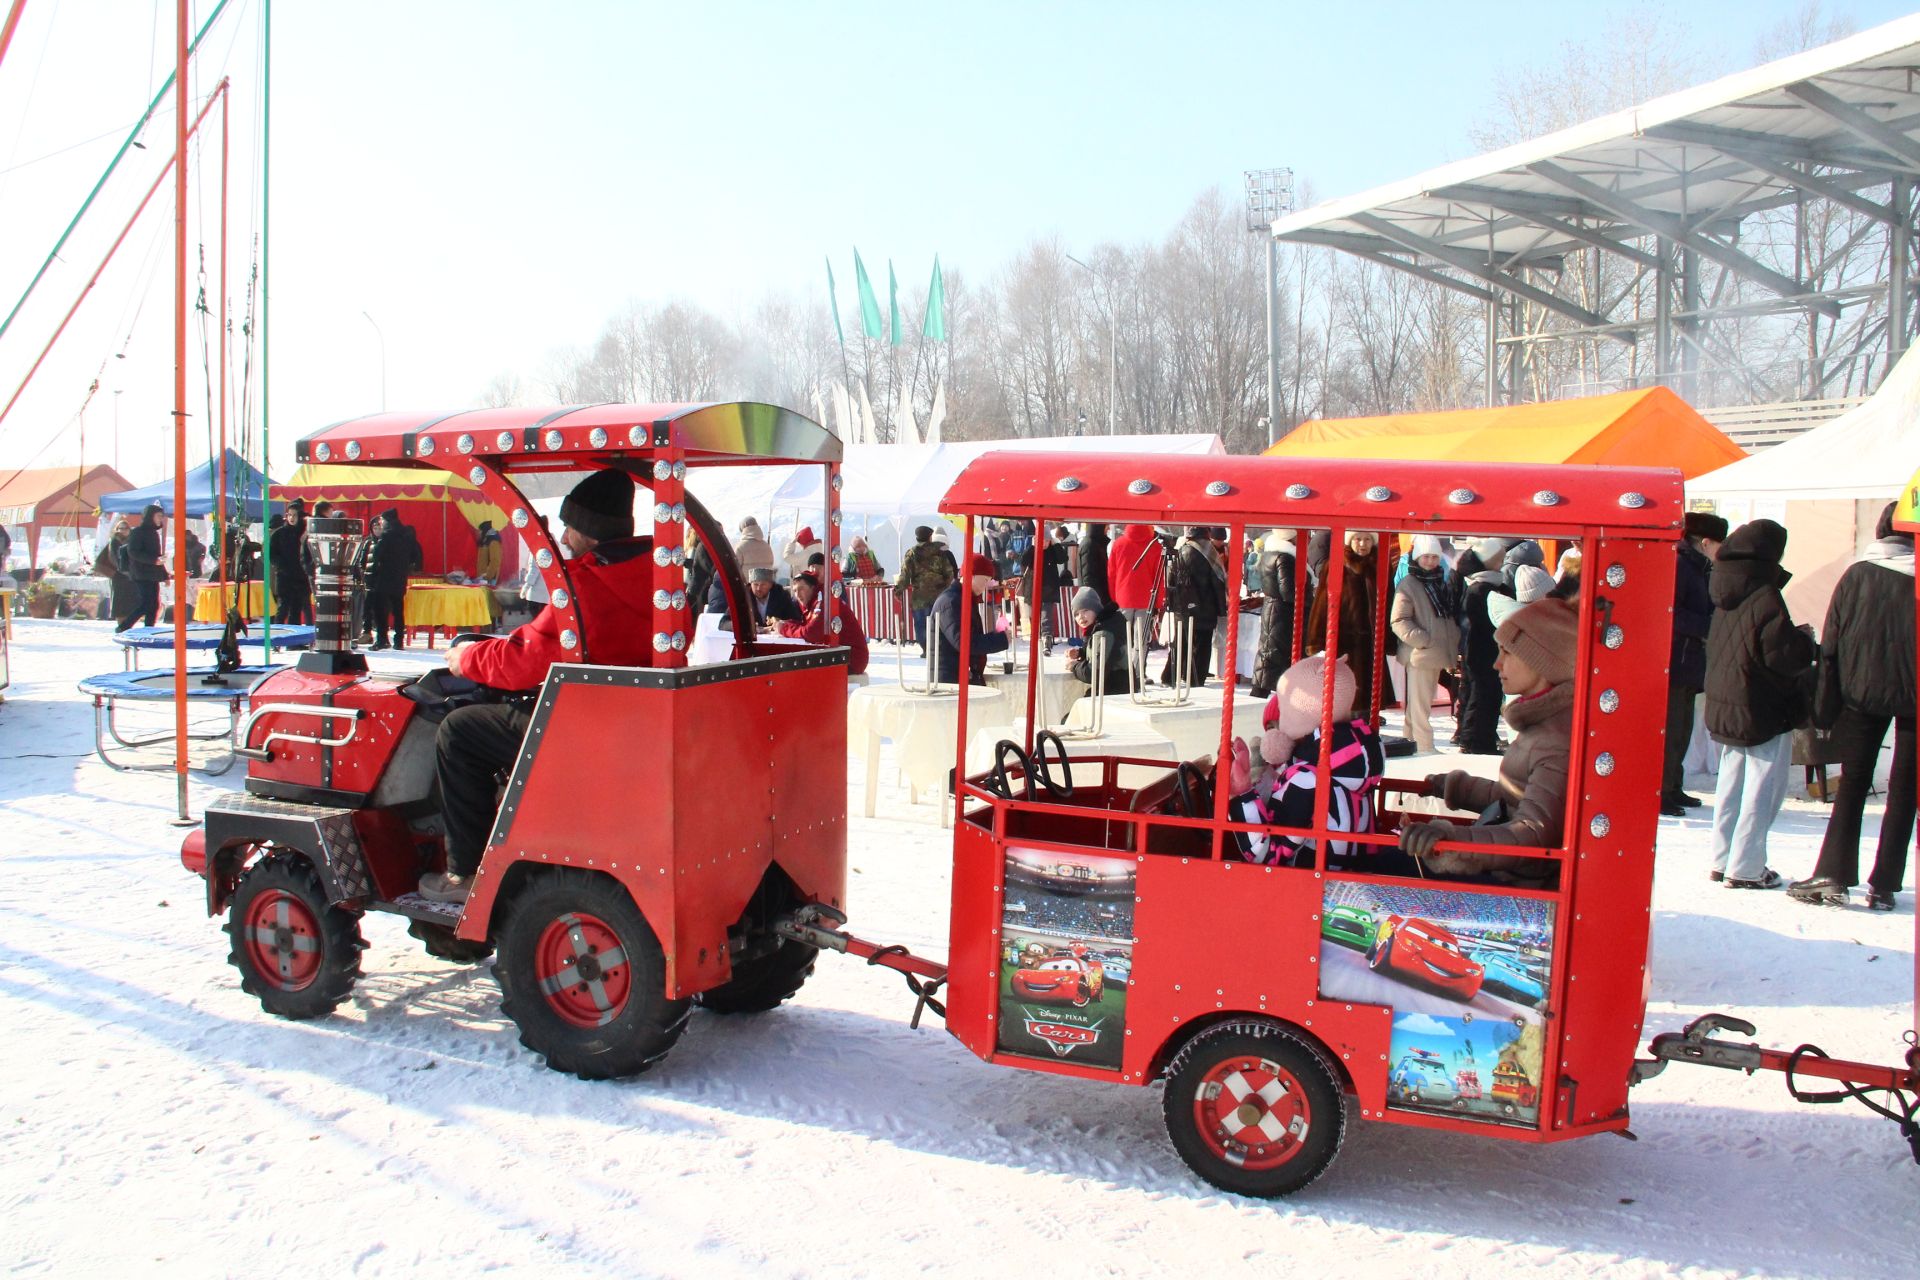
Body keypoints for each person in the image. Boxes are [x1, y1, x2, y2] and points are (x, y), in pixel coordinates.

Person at [423, 470, 654, 903]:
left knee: (458, 730)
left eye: (570, 527)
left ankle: (465, 873)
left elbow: (528, 660)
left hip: (581, 725)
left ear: (588, 531)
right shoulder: (655, 578)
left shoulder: (585, 587)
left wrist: (465, 658)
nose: (564, 537)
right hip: (629, 718)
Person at [1400, 597, 1578, 887]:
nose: (1497, 663)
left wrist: (1453, 841)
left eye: (1507, 652)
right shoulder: (1543, 725)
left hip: (1515, 884)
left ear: (1542, 661)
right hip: (1508, 872)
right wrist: (1460, 788)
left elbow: (1533, 831)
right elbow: (1518, 797)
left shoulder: (1554, 741)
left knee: (1369, 867)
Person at [1790, 502, 1914, 911]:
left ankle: (1834, 874)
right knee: (1905, 791)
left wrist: (1825, 706)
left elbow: (1832, 646)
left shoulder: (1858, 574)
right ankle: (1885, 885)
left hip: (1861, 696)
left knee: (1853, 784)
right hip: (1915, 697)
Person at [1704, 518, 1816, 891]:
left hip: (1728, 700)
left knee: (1731, 785)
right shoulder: (1765, 594)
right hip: (1762, 703)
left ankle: (1722, 859)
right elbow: (1782, 655)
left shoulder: (1723, 587)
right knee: (1762, 789)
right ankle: (1747, 867)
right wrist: (1804, 642)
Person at [1227, 653, 1385, 868]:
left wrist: (1242, 795)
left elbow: (1266, 854)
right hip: (1350, 877)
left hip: (1310, 887)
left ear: (1298, 714)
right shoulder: (1352, 765)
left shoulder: (1307, 778)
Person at [1662, 513, 1724, 816]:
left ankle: (1673, 786)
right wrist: (1707, 626)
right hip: (1677, 658)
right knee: (1671, 729)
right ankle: (1662, 790)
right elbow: (1670, 611)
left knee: (1683, 728)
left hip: (1688, 660)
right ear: (1705, 542)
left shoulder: (1697, 566)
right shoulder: (1682, 565)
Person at [1390, 534, 1461, 755]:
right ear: (1417, 557)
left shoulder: (1439, 581)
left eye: (1434, 556)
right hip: (1420, 652)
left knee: (1420, 700)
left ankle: (1410, 739)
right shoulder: (1409, 583)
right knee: (1421, 703)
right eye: (1426, 556)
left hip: (1435, 651)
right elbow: (1399, 619)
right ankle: (1424, 744)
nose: (1430, 561)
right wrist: (1423, 640)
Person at [1305, 529, 1380, 713]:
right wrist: (1316, 641)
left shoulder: (1379, 566)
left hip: (1371, 642)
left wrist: (1388, 641)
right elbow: (1321, 604)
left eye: (1367, 539)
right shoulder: (1337, 565)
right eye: (1358, 539)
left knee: (1369, 699)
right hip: (1344, 642)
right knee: (1345, 697)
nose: (1363, 544)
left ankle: (1364, 735)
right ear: (1349, 541)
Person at [930, 553, 1009, 685]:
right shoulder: (951, 601)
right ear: (972, 574)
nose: (986, 585)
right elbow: (963, 642)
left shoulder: (965, 598)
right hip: (949, 681)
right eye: (985, 580)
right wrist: (1000, 639)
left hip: (961, 675)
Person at [1161, 525, 1225, 688]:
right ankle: (1196, 679)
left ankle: (1170, 675)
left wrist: (1172, 603)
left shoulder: (1181, 550)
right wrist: (1222, 608)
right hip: (1205, 607)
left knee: (1181, 642)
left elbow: (1170, 580)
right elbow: (1217, 582)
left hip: (1181, 607)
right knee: (1202, 646)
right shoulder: (1209, 552)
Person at [778, 570, 869, 674]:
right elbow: (808, 626)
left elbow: (811, 633)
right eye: (794, 591)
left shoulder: (823, 600)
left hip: (851, 659)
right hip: (839, 654)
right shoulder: (812, 601)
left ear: (812, 588)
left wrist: (783, 628)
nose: (797, 594)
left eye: (801, 589)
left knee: (797, 670)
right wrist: (785, 624)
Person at [1250, 530, 1298, 699]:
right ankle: (1263, 690)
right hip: (1282, 611)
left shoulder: (1269, 554)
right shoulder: (1285, 558)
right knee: (1275, 651)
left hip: (1270, 606)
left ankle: (1259, 689)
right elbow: (1288, 591)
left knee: (1268, 649)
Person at [896, 524, 955, 655]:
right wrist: (946, 587)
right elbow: (949, 573)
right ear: (930, 537)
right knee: (940, 621)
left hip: (920, 596)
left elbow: (905, 575)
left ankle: (926, 649)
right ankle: (939, 648)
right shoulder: (940, 552)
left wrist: (899, 589)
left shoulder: (911, 553)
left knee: (921, 623)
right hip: (939, 594)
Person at [365, 508, 417, 649]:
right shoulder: (407, 534)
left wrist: (374, 573)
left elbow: (377, 556)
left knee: (380, 610)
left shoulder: (386, 536)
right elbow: (415, 555)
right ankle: (399, 640)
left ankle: (382, 639)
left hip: (383, 578)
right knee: (398, 610)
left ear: (386, 520)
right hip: (400, 578)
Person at [1065, 585, 1129, 695]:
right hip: (1111, 688)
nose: (1081, 617)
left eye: (1085, 610)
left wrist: (1074, 666)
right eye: (1076, 614)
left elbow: (1095, 673)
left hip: (1116, 693)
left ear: (1096, 609)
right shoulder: (1099, 627)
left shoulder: (1104, 633)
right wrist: (1081, 652)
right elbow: (1100, 654)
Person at [119, 503, 167, 631]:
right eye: (158, 516)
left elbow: (157, 556)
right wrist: (153, 560)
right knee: (146, 604)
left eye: (162, 516)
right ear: (150, 516)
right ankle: (124, 627)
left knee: (154, 605)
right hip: (141, 573)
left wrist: (165, 575)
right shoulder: (138, 532)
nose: (160, 519)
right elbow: (133, 552)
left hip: (152, 574)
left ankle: (149, 629)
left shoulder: (154, 533)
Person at [270, 499, 315, 624]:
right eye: (289, 515)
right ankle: (276, 638)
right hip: (285, 577)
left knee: (296, 609)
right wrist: (281, 567)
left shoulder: (304, 534)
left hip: (301, 577)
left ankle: (294, 642)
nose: (292, 518)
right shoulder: (279, 534)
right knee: (283, 608)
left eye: (295, 515)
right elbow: (272, 554)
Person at [734, 565, 803, 630]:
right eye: (755, 584)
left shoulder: (781, 596)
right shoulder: (743, 597)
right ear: (750, 585)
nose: (758, 588)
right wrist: (746, 626)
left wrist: (780, 623)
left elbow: (795, 620)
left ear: (771, 585)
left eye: (763, 585)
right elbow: (725, 622)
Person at [94, 520, 135, 626]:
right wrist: (123, 570)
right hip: (119, 576)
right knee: (120, 603)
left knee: (131, 602)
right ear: (117, 530)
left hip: (131, 576)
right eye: (121, 528)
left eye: (125, 528)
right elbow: (114, 558)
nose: (123, 531)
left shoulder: (133, 541)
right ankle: (121, 625)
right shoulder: (115, 542)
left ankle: (128, 624)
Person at [1077, 521, 1110, 608]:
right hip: (1094, 597)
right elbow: (1087, 576)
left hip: (1097, 595)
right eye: (1107, 526)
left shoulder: (1095, 544)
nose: (1109, 529)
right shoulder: (1090, 545)